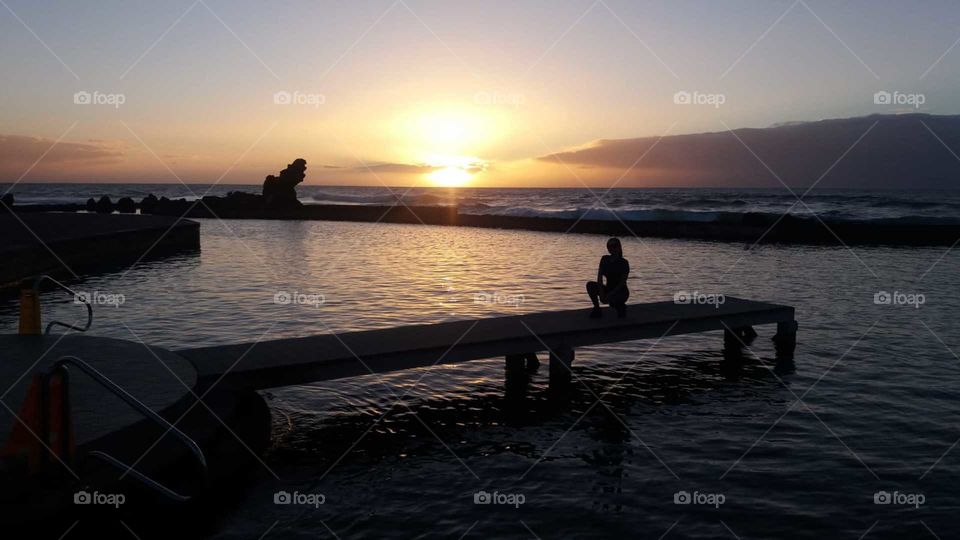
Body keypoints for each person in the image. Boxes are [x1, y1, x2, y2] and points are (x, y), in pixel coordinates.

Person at [586, 238, 629, 318]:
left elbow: (622, 283)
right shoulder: (604, 259)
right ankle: (597, 309)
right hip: (608, 288)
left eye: (614, 246)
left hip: (621, 291)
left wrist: (609, 295)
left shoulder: (624, 262)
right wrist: (602, 294)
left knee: (612, 302)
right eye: (609, 246)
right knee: (590, 285)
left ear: (619, 247)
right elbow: (599, 278)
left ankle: (621, 307)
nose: (612, 248)